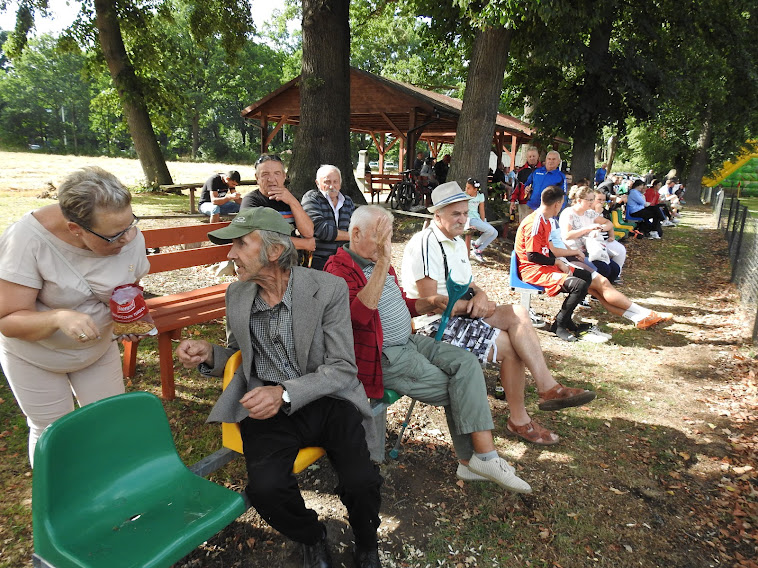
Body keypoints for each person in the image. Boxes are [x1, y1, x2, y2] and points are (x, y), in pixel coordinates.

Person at [175, 208, 382, 568]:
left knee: (361, 480)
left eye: (241, 243)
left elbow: (341, 367)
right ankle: (312, 537)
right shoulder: (238, 295)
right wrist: (210, 355)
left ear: (273, 251)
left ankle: (366, 543)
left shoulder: (326, 288)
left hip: (325, 397)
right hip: (266, 405)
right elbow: (241, 356)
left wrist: (285, 392)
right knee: (266, 489)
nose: (230, 254)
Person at [324, 205, 531, 493]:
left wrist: (431, 302)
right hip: (383, 357)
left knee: (466, 364)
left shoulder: (377, 259)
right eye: (380, 236)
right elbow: (357, 316)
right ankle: (480, 458)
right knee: (458, 389)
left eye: (389, 236)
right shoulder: (338, 269)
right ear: (356, 234)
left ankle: (474, 460)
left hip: (409, 342)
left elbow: (400, 304)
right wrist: (383, 264)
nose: (386, 244)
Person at [401, 182, 597, 446]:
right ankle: (519, 419)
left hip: (461, 312)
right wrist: (474, 306)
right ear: (438, 215)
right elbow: (428, 301)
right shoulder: (426, 242)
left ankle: (547, 387)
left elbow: (468, 285)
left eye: (464, 212)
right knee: (510, 346)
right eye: (455, 214)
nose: (463, 219)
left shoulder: (457, 241)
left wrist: (480, 295)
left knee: (518, 311)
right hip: (435, 324)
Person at [0, 167, 150, 465]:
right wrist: (58, 318)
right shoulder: (28, 239)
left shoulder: (124, 232)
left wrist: (129, 320)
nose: (127, 238)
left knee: (111, 424)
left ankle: (112, 496)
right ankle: (60, 506)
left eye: (130, 225)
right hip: (36, 357)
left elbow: (127, 286)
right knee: (54, 435)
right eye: (114, 235)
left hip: (96, 350)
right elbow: (7, 319)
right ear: (75, 229)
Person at [516, 185, 672, 342]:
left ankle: (567, 319)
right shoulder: (534, 223)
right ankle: (559, 325)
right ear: (557, 204)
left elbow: (549, 249)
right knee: (579, 285)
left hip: (545, 265)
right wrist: (557, 262)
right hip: (533, 270)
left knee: (586, 277)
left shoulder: (547, 220)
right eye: (562, 203)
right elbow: (532, 256)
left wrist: (566, 256)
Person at [241, 154, 315, 252]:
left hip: (290, 262)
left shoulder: (289, 199)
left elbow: (308, 232)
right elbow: (259, 240)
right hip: (263, 264)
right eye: (265, 174)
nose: (271, 179)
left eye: (277, 173)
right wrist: (303, 244)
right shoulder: (251, 201)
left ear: (284, 176)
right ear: (257, 178)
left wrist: (293, 202)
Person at [559, 185, 625, 283]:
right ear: (579, 200)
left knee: (615, 269)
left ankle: (603, 291)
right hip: (575, 251)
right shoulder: (568, 213)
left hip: (592, 249)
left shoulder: (589, 213)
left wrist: (599, 229)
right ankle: (596, 292)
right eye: (589, 200)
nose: (591, 202)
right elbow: (566, 235)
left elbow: (608, 223)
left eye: (592, 199)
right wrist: (587, 229)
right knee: (604, 269)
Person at [301, 165, 356, 270]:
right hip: (319, 260)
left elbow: (356, 227)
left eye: (335, 182)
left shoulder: (347, 201)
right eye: (327, 182)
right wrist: (353, 236)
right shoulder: (311, 198)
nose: (332, 186)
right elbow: (321, 230)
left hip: (345, 258)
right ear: (317, 183)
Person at [464, 178, 498, 263]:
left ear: (475, 189)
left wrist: (484, 222)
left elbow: (481, 210)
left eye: (468, 188)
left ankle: (477, 247)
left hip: (477, 218)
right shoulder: (463, 195)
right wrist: (466, 223)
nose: (466, 189)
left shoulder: (480, 196)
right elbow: (462, 211)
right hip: (469, 219)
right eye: (466, 187)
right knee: (490, 230)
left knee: (495, 233)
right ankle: (476, 246)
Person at [510, 146, 541, 223]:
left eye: (534, 156)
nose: (532, 158)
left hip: (539, 204)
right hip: (524, 204)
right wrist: (513, 201)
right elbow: (515, 188)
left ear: (538, 156)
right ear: (527, 157)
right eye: (530, 156)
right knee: (524, 228)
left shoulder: (543, 171)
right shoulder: (521, 171)